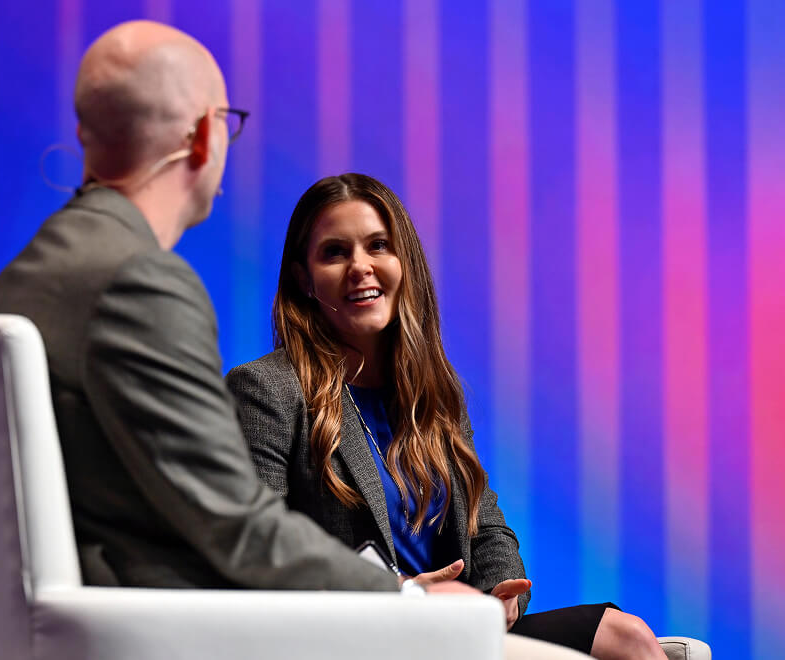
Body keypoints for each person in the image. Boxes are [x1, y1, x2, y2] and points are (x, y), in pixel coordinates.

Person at [0, 20, 476, 595]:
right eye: (225, 122)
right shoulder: (141, 284)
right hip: (169, 625)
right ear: (201, 139)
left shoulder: (21, 280)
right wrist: (408, 599)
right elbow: (237, 530)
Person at [226, 173, 667, 659]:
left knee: (625, 635)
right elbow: (259, 549)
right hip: (355, 636)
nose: (361, 267)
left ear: (404, 262)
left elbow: (486, 526)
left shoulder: (433, 394)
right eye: (335, 253)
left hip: (454, 628)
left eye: (378, 246)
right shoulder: (268, 388)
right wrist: (404, 593)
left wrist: (500, 595)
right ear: (303, 279)